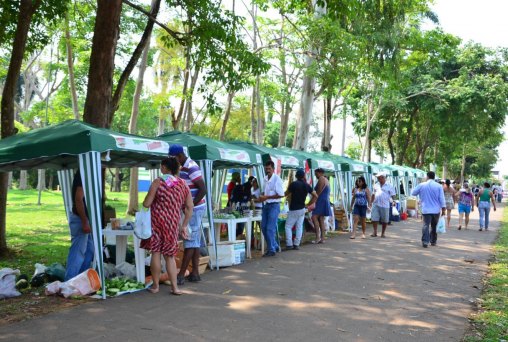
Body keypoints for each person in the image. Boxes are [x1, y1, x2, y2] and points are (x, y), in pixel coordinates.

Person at [141, 158, 193, 295]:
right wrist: (184, 225)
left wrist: (146, 200)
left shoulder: (158, 182)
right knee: (170, 256)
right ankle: (175, 288)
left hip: (156, 222)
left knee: (156, 253)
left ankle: (156, 286)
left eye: (161, 166)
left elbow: (146, 204)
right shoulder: (183, 184)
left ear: (164, 168)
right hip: (172, 224)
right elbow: (189, 207)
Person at [169, 144, 207, 285]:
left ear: (178, 156)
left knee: (189, 240)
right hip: (192, 208)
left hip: (195, 209)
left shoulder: (191, 167)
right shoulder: (183, 167)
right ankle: (195, 273)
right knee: (194, 240)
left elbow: (203, 189)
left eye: (172, 158)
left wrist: (190, 206)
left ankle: (180, 275)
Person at [64, 170, 94, 281]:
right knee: (78, 251)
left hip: (88, 219)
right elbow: (78, 198)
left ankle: (81, 280)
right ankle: (69, 281)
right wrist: (84, 221)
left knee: (89, 250)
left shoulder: (90, 172)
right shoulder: (85, 172)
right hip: (81, 219)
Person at [284, 169, 318, 250]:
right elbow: (316, 196)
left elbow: (285, 194)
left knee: (288, 226)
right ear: (303, 176)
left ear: (296, 176)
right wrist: (309, 204)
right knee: (299, 226)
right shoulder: (306, 185)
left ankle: (289, 244)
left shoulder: (293, 184)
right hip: (302, 208)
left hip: (293, 208)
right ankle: (296, 244)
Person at [411, 171, 446, 248]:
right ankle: (433, 241)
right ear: (434, 177)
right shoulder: (439, 186)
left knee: (426, 225)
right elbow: (442, 198)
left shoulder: (422, 185)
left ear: (427, 176)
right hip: (436, 210)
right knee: (434, 226)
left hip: (426, 209)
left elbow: (413, 193)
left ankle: (425, 242)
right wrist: (443, 209)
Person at [258, 160, 284, 257]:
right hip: (266, 205)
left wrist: (267, 197)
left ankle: (271, 250)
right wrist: (260, 197)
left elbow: (281, 194)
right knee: (263, 227)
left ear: (273, 169)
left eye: (269, 169)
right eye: (266, 169)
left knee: (269, 228)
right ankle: (275, 245)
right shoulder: (265, 179)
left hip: (274, 205)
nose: (267, 170)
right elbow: (264, 193)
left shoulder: (277, 179)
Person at [370, 172, 396, 238]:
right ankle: (375, 232)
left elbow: (393, 195)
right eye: (378, 178)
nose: (378, 179)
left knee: (385, 220)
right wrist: (370, 202)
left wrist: (394, 201)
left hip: (385, 205)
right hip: (376, 203)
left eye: (379, 177)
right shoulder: (376, 185)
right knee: (374, 218)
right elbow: (373, 194)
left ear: (383, 177)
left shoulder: (389, 186)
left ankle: (383, 233)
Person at [311, 168, 332, 244]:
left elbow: (318, 192)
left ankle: (317, 237)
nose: (315, 175)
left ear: (320, 173)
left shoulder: (321, 179)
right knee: (321, 219)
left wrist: (312, 201)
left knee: (314, 217)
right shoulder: (326, 179)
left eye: (316, 174)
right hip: (324, 200)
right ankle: (322, 238)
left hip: (321, 200)